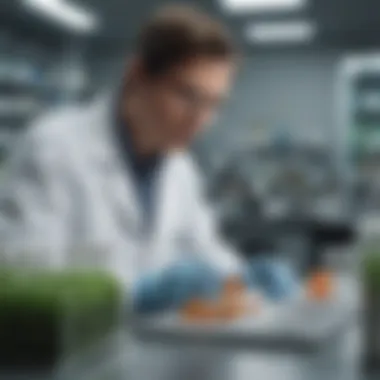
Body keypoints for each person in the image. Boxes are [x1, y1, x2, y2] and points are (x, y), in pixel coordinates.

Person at [0, 5, 297, 379]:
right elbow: (25, 282)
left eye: (214, 104)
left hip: (149, 362)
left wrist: (242, 277)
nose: (200, 119)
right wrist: (133, 293)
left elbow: (205, 251)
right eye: (188, 96)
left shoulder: (180, 168)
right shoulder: (54, 148)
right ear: (137, 75)